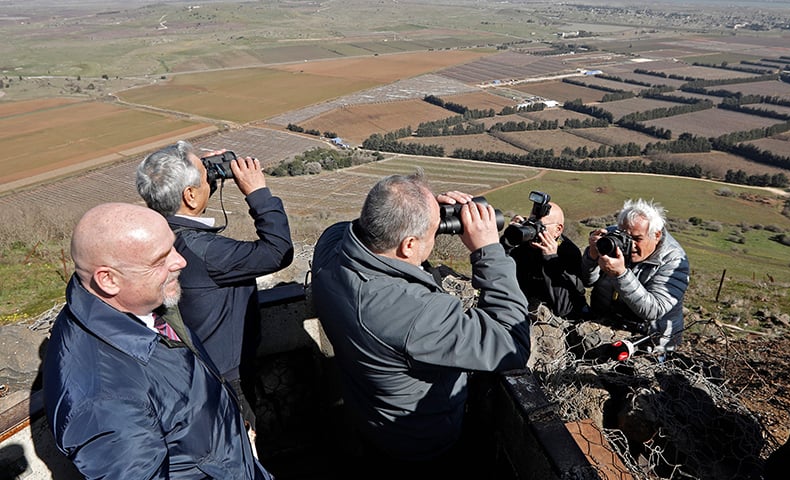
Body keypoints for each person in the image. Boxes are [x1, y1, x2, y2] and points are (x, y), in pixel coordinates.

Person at [311, 172, 530, 475]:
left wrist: (421, 210)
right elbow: (511, 344)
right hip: (420, 444)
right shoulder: (416, 312)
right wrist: (488, 250)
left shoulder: (331, 247)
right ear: (409, 246)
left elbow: (371, 226)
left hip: (370, 417)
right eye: (430, 234)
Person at [43, 203, 273, 479]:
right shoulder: (105, 400)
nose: (180, 262)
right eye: (160, 259)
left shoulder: (138, 305)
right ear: (108, 280)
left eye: (173, 248)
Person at [136, 140, 293, 439]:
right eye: (204, 174)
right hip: (227, 383)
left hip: (189, 375)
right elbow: (278, 251)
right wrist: (258, 193)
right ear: (190, 195)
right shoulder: (204, 250)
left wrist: (199, 175)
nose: (209, 175)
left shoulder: (155, 238)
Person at [582, 198, 689, 353]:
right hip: (604, 326)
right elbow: (587, 281)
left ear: (656, 235)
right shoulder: (613, 238)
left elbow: (653, 310)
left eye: (638, 239)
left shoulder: (674, 261)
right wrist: (591, 258)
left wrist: (621, 275)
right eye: (626, 237)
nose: (630, 244)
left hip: (651, 340)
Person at [503, 201, 586, 319]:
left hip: (554, 319)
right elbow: (497, 273)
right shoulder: (524, 244)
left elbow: (565, 308)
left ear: (558, 229)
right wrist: (509, 241)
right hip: (518, 308)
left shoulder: (568, 252)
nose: (533, 230)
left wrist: (551, 259)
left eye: (540, 226)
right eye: (531, 223)